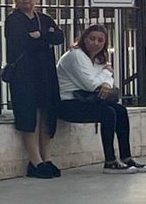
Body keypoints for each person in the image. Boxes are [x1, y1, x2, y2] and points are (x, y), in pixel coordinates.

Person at [55, 25, 144, 173]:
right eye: (92, 38)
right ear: (84, 39)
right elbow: (91, 85)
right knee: (108, 113)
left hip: (85, 100)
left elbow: (108, 80)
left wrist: (106, 81)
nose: (96, 43)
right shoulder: (76, 55)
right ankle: (110, 162)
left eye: (100, 40)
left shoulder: (98, 58)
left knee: (120, 110)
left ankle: (126, 157)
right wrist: (106, 75)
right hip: (66, 103)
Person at [4, 0, 65, 178]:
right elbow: (22, 41)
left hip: (45, 72)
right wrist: (45, 38)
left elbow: (59, 37)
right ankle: (35, 161)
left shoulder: (44, 18)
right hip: (24, 74)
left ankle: (46, 158)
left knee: (46, 113)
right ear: (15, 0)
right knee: (30, 115)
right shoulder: (13, 19)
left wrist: (41, 36)